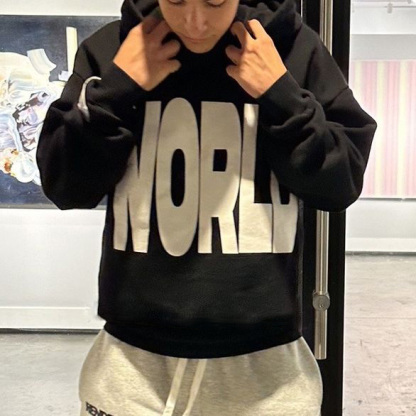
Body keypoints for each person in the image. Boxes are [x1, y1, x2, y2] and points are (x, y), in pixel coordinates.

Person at [36, 0, 377, 415]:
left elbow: (340, 185)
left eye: (215, 1)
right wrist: (113, 93)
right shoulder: (113, 48)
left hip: (269, 376)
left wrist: (281, 95)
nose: (195, 22)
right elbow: (64, 187)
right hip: (130, 371)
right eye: (176, 0)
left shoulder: (291, 50)